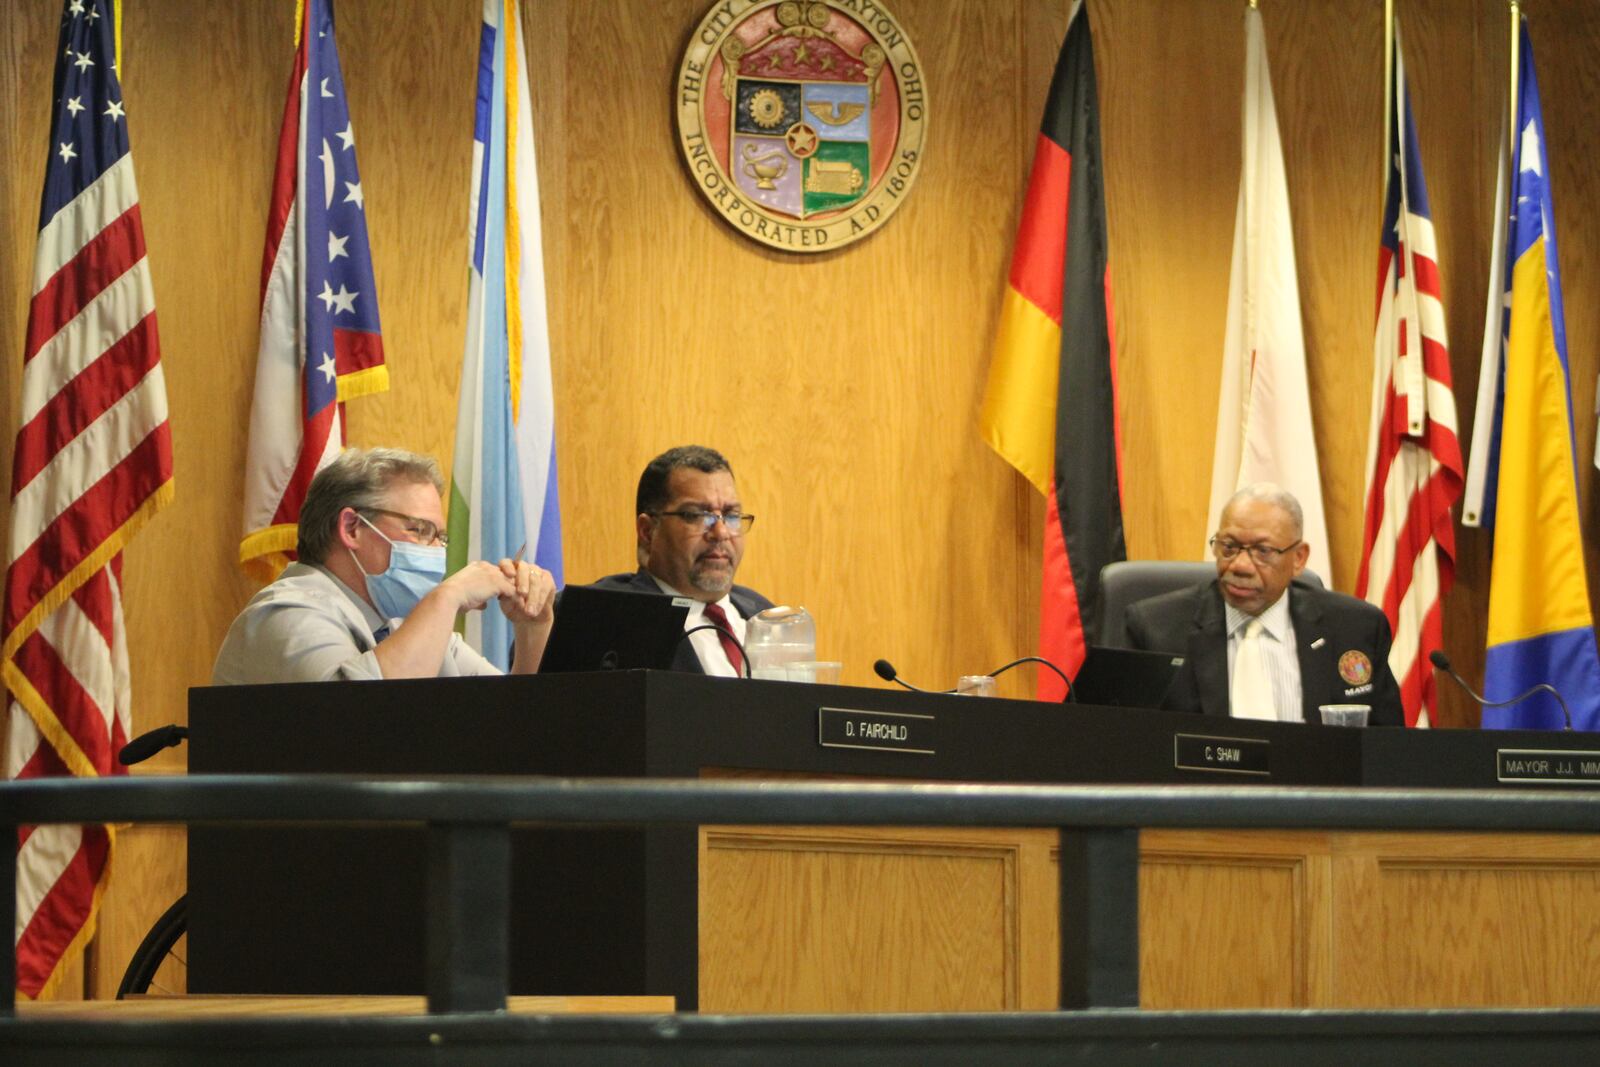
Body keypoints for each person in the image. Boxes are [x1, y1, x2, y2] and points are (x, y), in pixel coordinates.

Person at [212, 447, 555, 684]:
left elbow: (506, 720)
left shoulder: (402, 621)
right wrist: (448, 596)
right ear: (352, 528)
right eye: (420, 530)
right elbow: (368, 722)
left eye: (440, 537)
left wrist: (532, 629)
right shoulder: (286, 615)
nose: (437, 551)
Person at [1125, 483, 1402, 725]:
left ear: (1298, 559)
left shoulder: (1355, 628)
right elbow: (1129, 744)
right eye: (1229, 547)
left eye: (1263, 551)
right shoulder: (1155, 629)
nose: (1240, 565)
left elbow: (1387, 749)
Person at [583, 445, 773, 676]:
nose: (721, 532)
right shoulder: (603, 616)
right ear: (647, 531)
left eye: (731, 515)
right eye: (696, 515)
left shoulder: (765, 617)